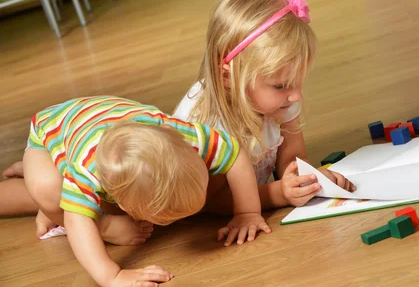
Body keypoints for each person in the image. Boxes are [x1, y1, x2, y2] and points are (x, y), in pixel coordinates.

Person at [0, 96, 269, 287]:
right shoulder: (86, 172)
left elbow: (234, 153)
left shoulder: (188, 137)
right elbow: (76, 221)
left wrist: (247, 212)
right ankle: (36, 163)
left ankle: (40, 165)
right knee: (49, 191)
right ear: (124, 203)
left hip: (99, 117)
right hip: (51, 130)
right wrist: (112, 276)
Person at [173, 0, 355, 214]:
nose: (296, 95)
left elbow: (293, 158)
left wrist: (305, 179)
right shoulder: (207, 124)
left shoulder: (281, 99)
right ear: (228, 79)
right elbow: (210, 201)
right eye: (280, 85)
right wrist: (279, 194)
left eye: (299, 82)